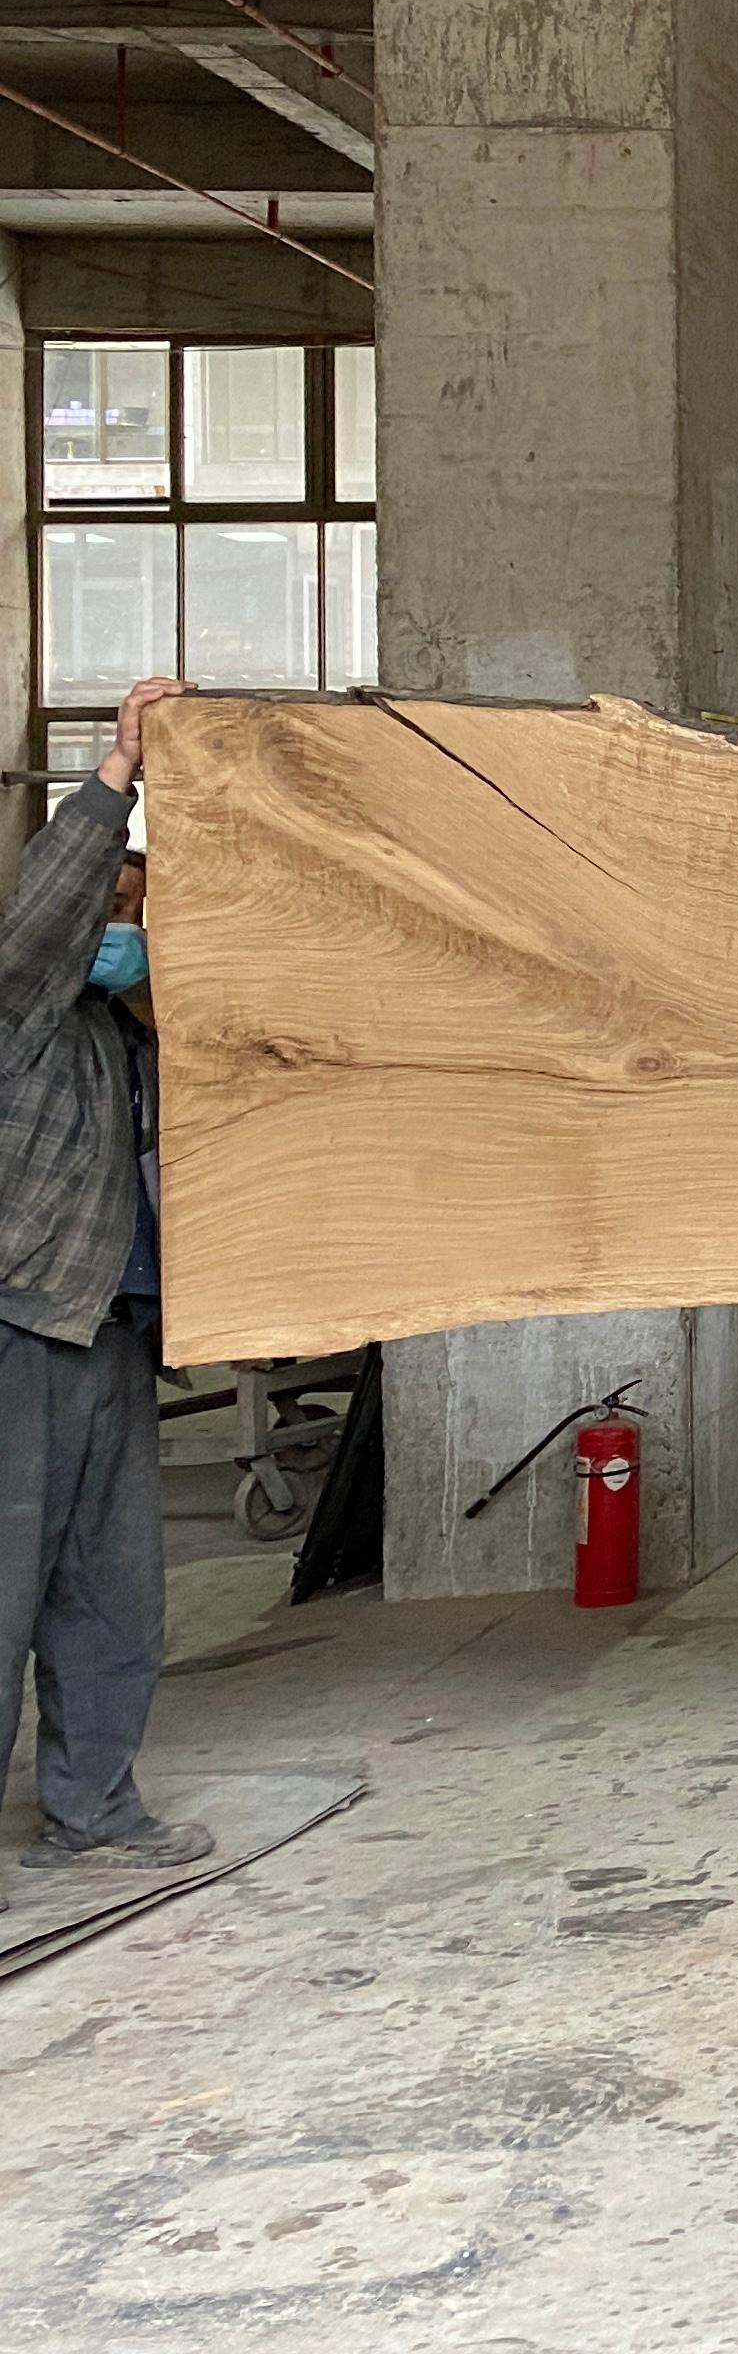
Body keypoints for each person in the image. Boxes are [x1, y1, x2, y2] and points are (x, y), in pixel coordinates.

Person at [1, 674, 214, 1889]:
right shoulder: (23, 1015)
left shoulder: (135, 1040)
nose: (120, 923)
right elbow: (45, 917)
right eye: (110, 903)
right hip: (21, 1325)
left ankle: (93, 1809)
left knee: (112, 1594)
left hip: (113, 1333)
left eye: (139, 907)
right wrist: (119, 775)